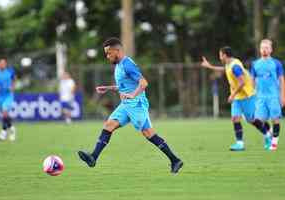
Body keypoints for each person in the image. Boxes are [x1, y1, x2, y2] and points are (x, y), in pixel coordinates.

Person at [77, 37, 183, 173]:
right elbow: (124, 86)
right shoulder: (119, 65)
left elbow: (144, 83)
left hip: (136, 104)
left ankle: (175, 160)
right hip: (126, 105)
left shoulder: (127, 64)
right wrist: (108, 88)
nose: (107, 56)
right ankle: (93, 157)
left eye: (109, 53)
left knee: (148, 133)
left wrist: (133, 95)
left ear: (117, 50)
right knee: (109, 125)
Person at [201, 46, 271, 151]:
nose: (220, 57)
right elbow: (224, 69)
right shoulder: (229, 64)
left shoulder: (235, 66)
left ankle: (267, 135)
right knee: (235, 118)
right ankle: (240, 143)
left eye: (220, 55)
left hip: (247, 96)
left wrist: (232, 94)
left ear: (224, 55)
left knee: (251, 120)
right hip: (238, 97)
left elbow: (242, 82)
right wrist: (210, 66)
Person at [251, 39, 285, 151]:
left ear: (271, 49)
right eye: (262, 48)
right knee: (258, 120)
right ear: (260, 49)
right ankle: (268, 134)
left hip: (274, 96)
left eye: (266, 47)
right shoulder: (255, 64)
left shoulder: (277, 63)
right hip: (260, 97)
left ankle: (274, 143)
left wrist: (283, 96)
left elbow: (282, 80)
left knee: (275, 119)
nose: (264, 50)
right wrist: (252, 95)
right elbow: (252, 81)